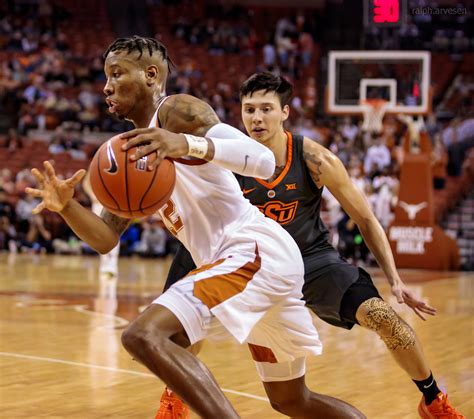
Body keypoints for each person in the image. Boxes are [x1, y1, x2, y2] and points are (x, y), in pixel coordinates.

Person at [25, 37, 364, 419]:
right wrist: (67, 206)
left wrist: (186, 143)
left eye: (116, 74)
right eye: (106, 76)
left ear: (151, 75)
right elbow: (105, 239)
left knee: (145, 335)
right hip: (252, 265)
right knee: (291, 401)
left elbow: (264, 160)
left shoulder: (176, 112)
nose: (106, 86)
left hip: (251, 252)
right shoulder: (131, 149)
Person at [162, 72, 465, 419]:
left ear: (285, 112)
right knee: (186, 318)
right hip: (246, 262)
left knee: (385, 319)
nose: (257, 118)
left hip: (311, 261)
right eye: (249, 110)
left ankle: (432, 399)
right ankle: (174, 398)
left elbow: (365, 219)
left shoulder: (314, 159)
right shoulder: (224, 157)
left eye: (266, 109)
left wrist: (394, 278)